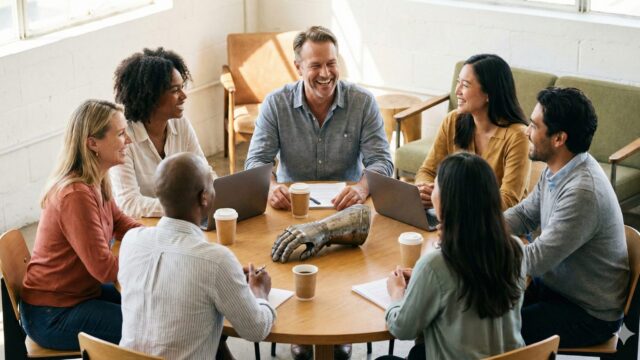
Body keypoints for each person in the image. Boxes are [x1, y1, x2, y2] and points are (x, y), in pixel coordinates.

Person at [118, 152, 275, 360]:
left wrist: (229, 278)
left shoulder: (131, 241)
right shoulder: (216, 260)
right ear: (204, 197)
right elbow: (255, 330)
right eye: (212, 183)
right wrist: (260, 292)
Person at [504, 87, 629, 347]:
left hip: (586, 312)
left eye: (534, 126)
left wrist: (476, 244)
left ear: (559, 138)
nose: (527, 132)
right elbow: (525, 214)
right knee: (476, 307)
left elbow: (535, 260)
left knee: (494, 330)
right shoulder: (558, 168)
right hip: (556, 287)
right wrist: (479, 229)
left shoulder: (583, 192)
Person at [20, 100, 142, 350]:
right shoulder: (75, 195)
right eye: (120, 134)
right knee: (149, 326)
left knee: (155, 306)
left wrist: (158, 238)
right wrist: (145, 255)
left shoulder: (96, 180)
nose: (128, 140)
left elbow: (121, 222)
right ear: (92, 143)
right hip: (52, 314)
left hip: (80, 295)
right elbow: (105, 270)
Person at [385, 153, 525, 359]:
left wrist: (397, 293)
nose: (432, 190)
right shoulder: (516, 249)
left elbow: (402, 328)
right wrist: (425, 279)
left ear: (448, 200)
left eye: (436, 185)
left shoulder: (436, 264)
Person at [245, 26, 393, 215]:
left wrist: (362, 187)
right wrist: (272, 187)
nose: (325, 73)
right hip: (291, 206)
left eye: (331, 63)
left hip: (348, 206)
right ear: (298, 67)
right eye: (315, 66)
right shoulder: (275, 103)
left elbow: (381, 161)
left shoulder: (362, 102)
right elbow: (256, 161)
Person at [110, 47, 216, 219]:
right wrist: (185, 208)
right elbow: (129, 204)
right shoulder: (124, 137)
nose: (184, 96)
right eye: (175, 90)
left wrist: (218, 192)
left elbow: (205, 173)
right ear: (149, 96)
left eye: (182, 87)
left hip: (177, 223)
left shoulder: (180, 123)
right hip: (140, 228)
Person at [415, 54, 531, 210]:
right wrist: (424, 190)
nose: (457, 91)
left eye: (465, 85)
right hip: (453, 217)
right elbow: (428, 171)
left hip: (498, 226)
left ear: (489, 93)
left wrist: (446, 199)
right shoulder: (453, 121)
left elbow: (507, 201)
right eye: (458, 83)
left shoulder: (518, 136)